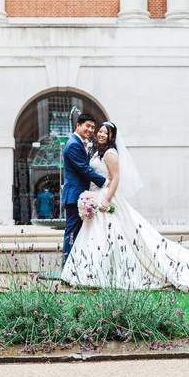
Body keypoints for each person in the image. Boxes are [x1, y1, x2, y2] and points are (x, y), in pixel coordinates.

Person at [61, 121, 189, 294]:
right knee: (100, 237)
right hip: (97, 197)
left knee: (115, 236)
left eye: (104, 133)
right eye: (99, 131)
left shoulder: (110, 154)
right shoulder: (96, 152)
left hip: (107, 198)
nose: (100, 134)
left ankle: (105, 273)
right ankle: (92, 272)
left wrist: (106, 198)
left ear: (111, 136)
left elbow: (115, 178)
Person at [61, 113, 107, 264]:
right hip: (74, 195)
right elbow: (83, 169)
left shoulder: (80, 142)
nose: (91, 130)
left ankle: (74, 266)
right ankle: (68, 266)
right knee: (72, 232)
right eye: (88, 126)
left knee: (78, 232)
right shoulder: (74, 144)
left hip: (78, 194)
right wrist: (106, 182)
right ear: (78, 125)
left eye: (93, 127)